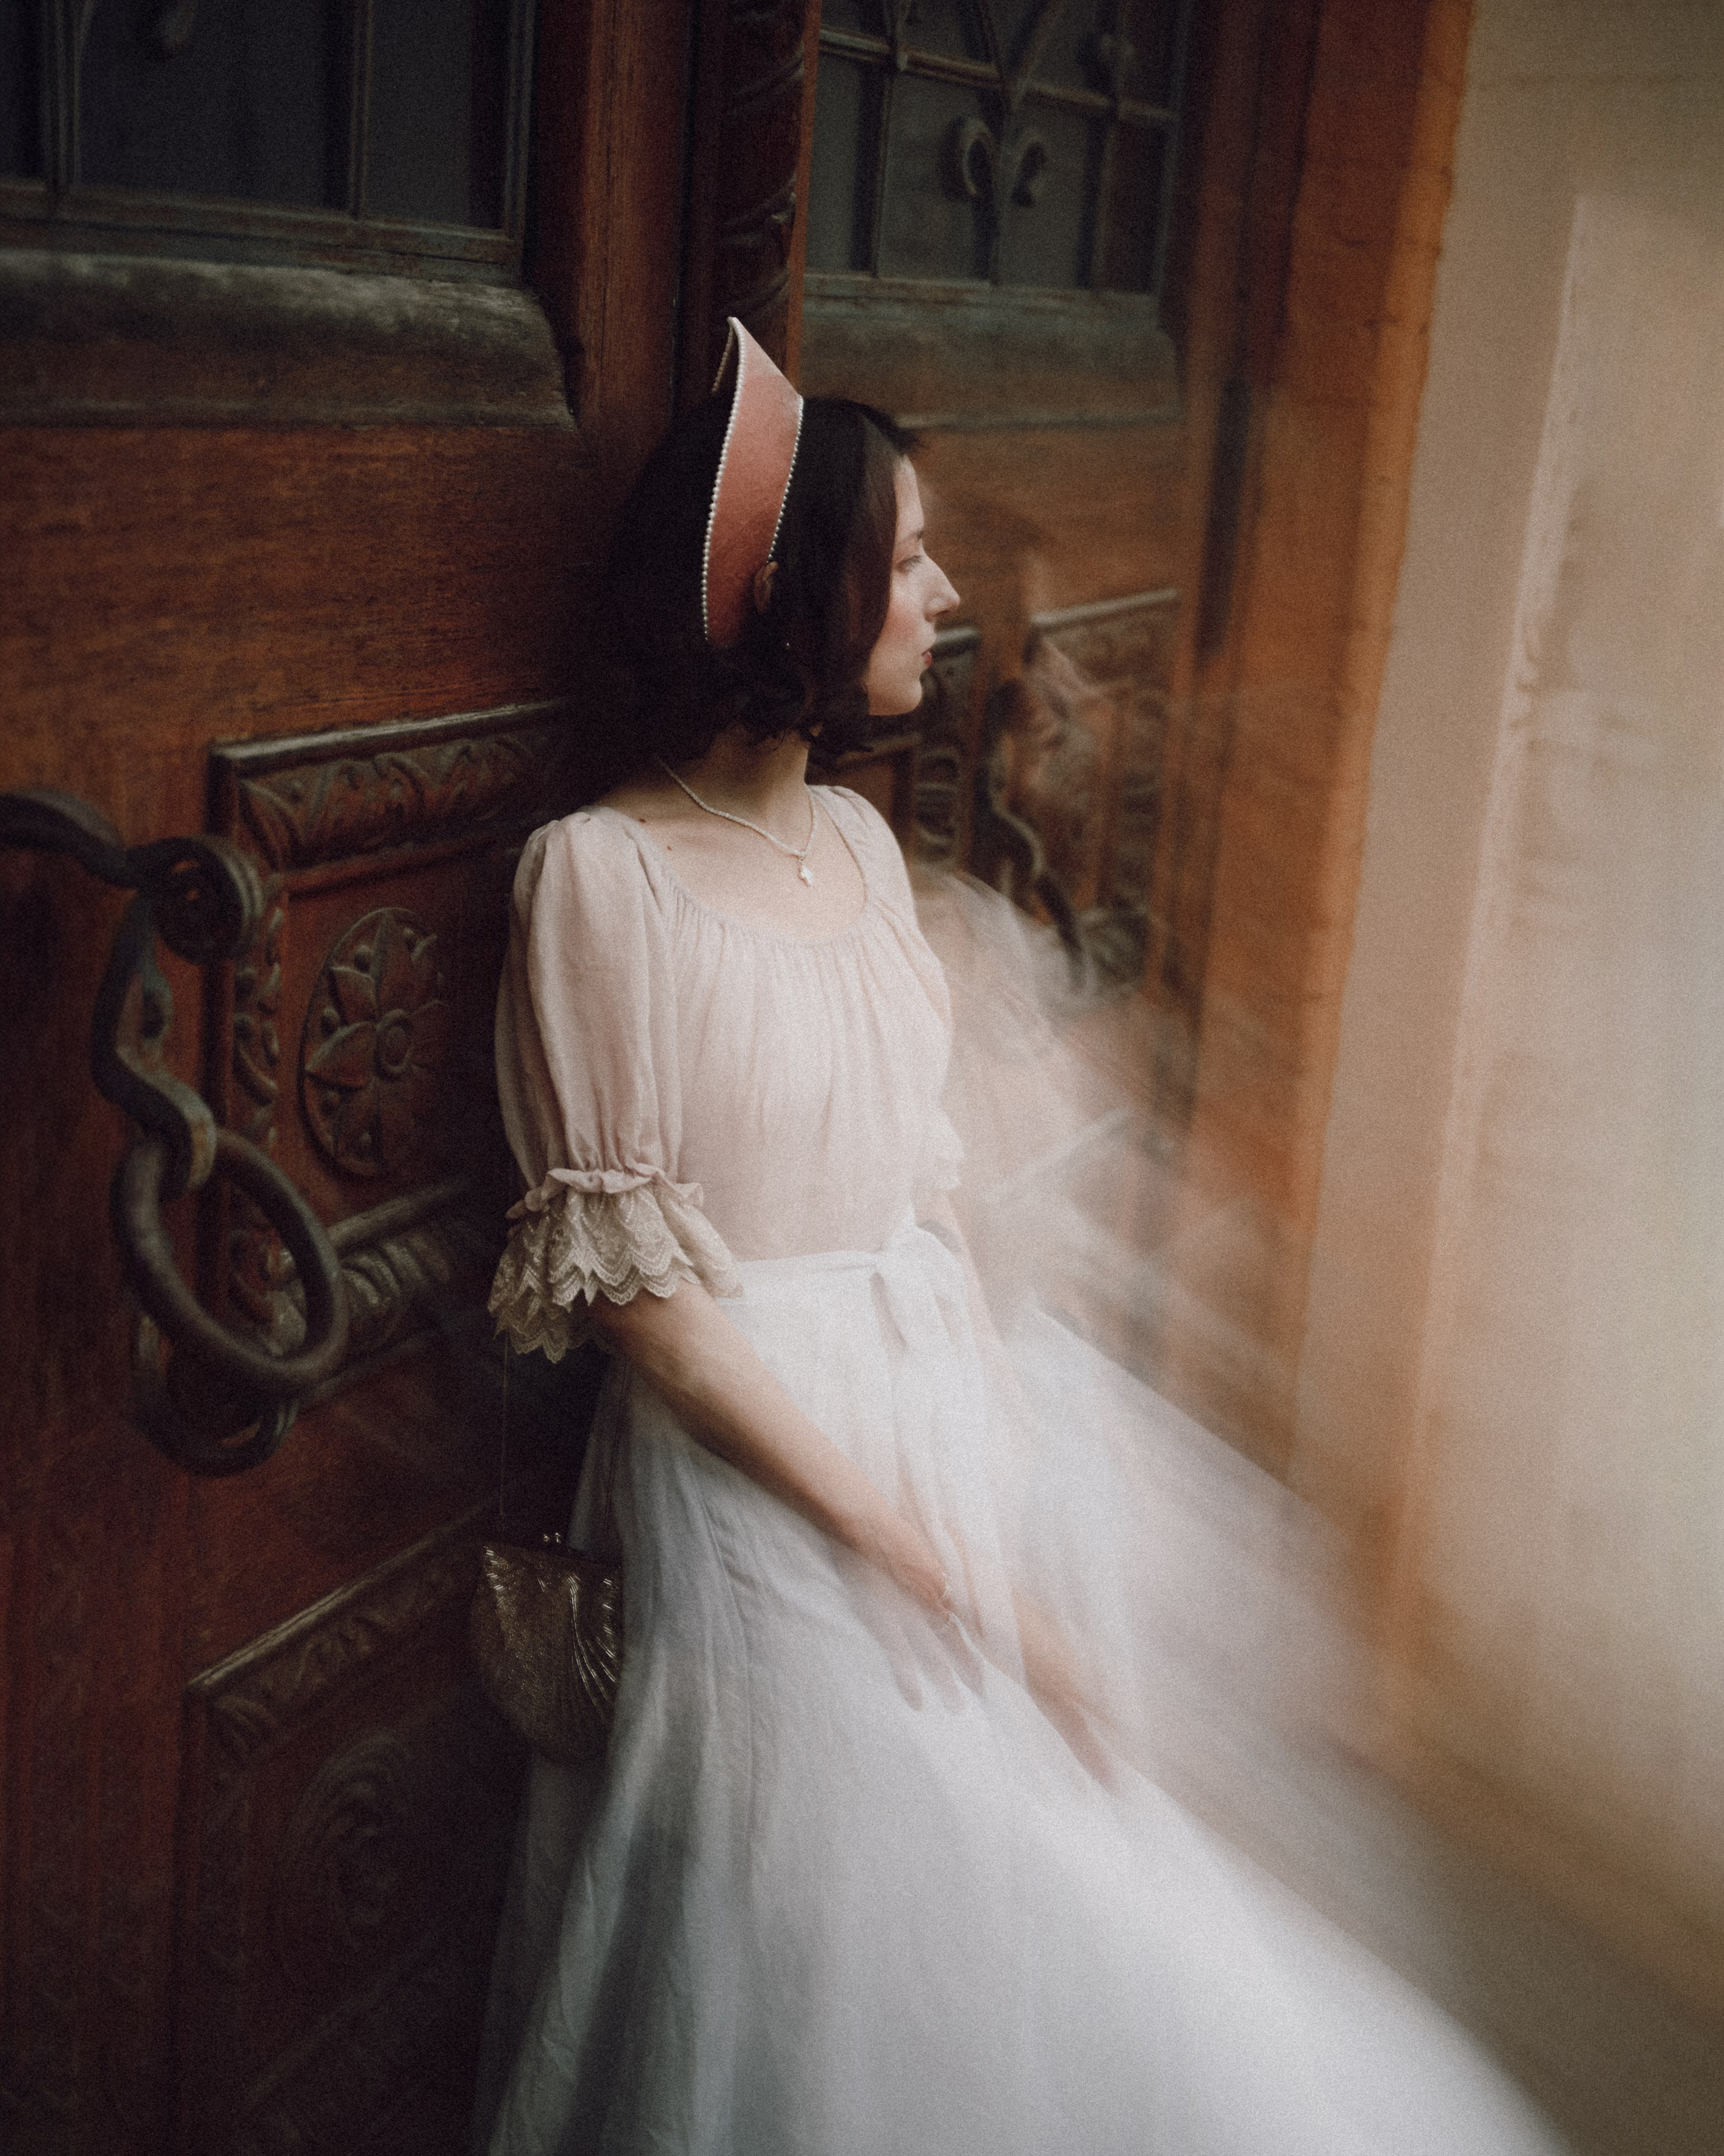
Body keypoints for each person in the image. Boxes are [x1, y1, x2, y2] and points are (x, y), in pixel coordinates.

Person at [472, 319, 1568, 2155]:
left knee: (1032, 1852)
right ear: (788, 587)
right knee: (820, 1882)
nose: (942, 592)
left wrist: (1000, 1466)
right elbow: (652, 1312)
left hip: (929, 1409)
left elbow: (924, 1192)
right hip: (752, 1473)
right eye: (903, 557)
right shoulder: (601, 874)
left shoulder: (865, 850)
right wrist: (908, 1542)